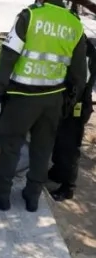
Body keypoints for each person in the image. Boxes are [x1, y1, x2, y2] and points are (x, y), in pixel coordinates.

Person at [0, 0, 87, 212]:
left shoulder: (29, 15)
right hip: (53, 98)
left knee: (10, 144)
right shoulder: (75, 24)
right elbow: (80, 73)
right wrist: (67, 102)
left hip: (23, 96)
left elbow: (8, 55)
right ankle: (32, 197)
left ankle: (1, 194)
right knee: (42, 148)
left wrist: (1, 89)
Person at [47, 35, 96, 201]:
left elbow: (79, 86)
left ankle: (68, 187)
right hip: (68, 103)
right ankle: (58, 171)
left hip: (77, 106)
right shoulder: (78, 49)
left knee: (69, 145)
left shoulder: (84, 55)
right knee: (59, 140)